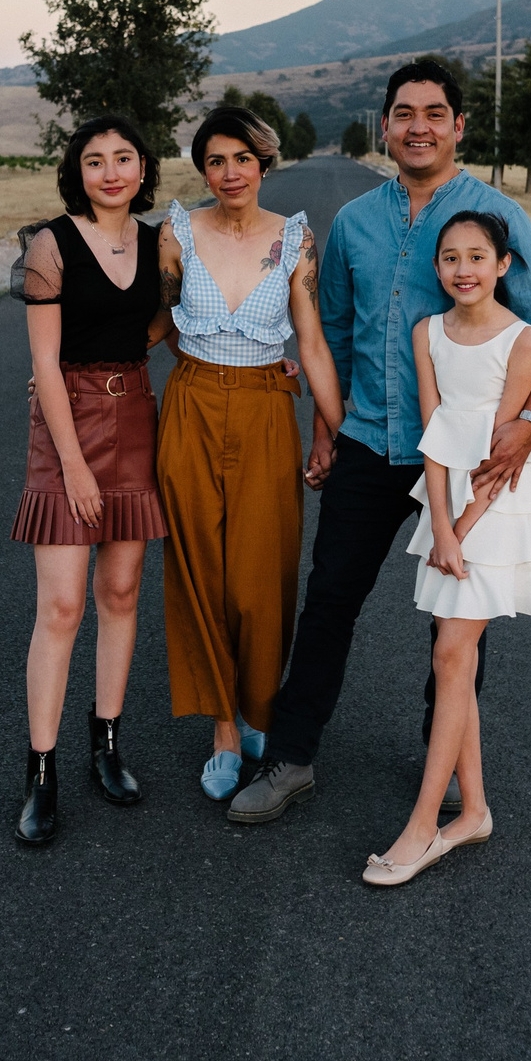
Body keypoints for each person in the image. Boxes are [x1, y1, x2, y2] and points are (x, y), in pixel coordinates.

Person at [228, 55, 531, 826]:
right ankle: (291, 756)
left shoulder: (496, 216)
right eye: (405, 112)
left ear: (458, 125)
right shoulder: (354, 221)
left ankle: (445, 758)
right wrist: (324, 430)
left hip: (463, 455)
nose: (419, 126)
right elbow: (338, 337)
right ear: (385, 125)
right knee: (329, 602)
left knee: (454, 620)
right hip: (369, 441)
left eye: (434, 113)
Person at [154, 107, 345, 800]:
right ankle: (225, 734)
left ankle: (260, 708)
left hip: (267, 409)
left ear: (265, 163)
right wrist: (59, 367)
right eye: (215, 160)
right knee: (199, 568)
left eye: (242, 158)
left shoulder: (295, 240)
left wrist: (336, 428)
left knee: (261, 575)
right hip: (193, 406)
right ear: (202, 169)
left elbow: (313, 342)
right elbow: (156, 320)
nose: (229, 172)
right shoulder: (178, 233)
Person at [365, 210, 531, 885]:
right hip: (447, 509)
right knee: (455, 655)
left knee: (451, 652)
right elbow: (435, 431)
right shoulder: (427, 334)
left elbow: (501, 457)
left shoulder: (523, 339)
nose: (464, 268)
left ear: (503, 265)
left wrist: (465, 528)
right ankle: (472, 809)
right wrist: (440, 528)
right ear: (438, 268)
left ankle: (424, 828)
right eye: (451, 257)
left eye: (478, 256)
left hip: (497, 506)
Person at [7, 115, 171, 848]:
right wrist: (72, 462)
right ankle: (41, 770)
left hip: (135, 411)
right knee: (64, 603)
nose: (111, 171)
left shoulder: (157, 241)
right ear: (79, 170)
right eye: (96, 160)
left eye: (124, 158)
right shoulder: (52, 243)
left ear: (143, 168)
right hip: (66, 419)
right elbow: (43, 362)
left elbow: (167, 322)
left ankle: (106, 743)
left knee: (121, 591)